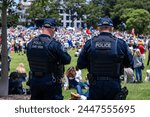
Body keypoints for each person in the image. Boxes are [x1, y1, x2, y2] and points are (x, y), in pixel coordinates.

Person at [77, 17, 133, 100]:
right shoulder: (120, 43)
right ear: (112, 28)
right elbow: (129, 63)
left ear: (99, 28)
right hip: (113, 83)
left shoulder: (90, 43)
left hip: (95, 83)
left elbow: (80, 64)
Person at [26, 18, 71, 100]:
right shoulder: (54, 44)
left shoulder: (30, 44)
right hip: (50, 81)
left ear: (42, 27)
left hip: (34, 80)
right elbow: (67, 59)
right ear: (53, 29)